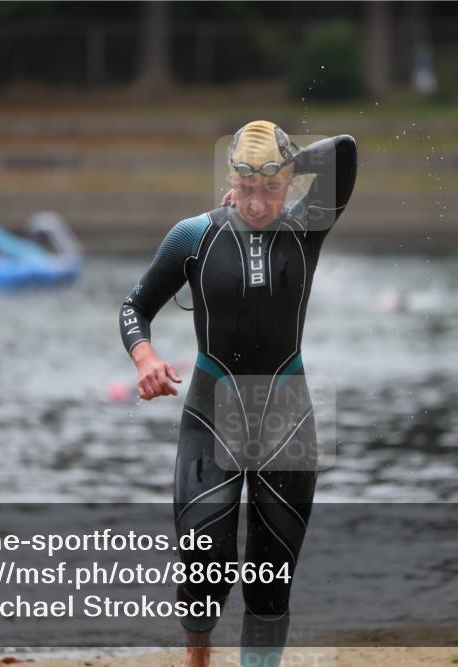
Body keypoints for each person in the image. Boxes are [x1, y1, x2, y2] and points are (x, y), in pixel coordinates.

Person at [119, 121, 357, 667]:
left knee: (271, 583)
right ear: (229, 180)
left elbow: (344, 152)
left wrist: (280, 160)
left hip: (287, 415)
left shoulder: (307, 227)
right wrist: (146, 358)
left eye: (270, 189)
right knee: (209, 565)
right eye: (245, 188)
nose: (255, 203)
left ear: (290, 183)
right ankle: (197, 656)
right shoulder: (193, 235)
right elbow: (134, 308)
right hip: (212, 411)